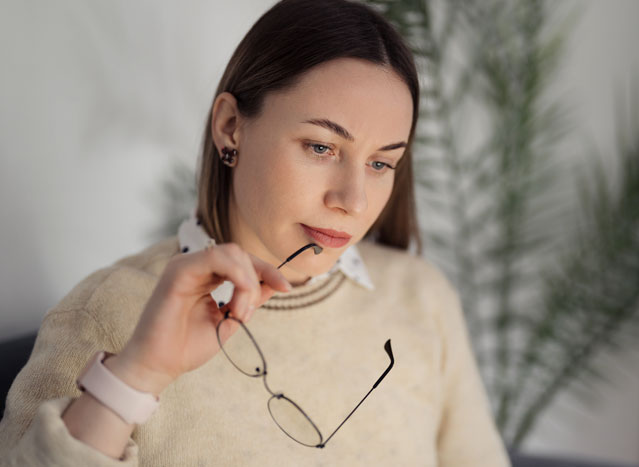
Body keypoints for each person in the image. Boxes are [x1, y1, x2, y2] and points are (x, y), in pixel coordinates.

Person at [0, 0, 510, 465]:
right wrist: (137, 376)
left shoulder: (422, 299)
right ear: (230, 127)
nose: (353, 201)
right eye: (320, 147)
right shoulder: (106, 317)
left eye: (381, 163)